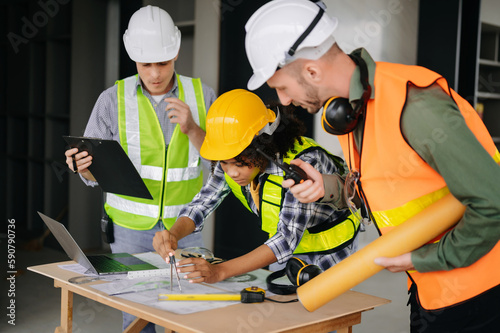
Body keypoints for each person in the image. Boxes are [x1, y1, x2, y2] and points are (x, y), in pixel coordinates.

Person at [244, 0, 500, 332]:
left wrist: (421, 259)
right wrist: (329, 187)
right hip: (428, 290)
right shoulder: (351, 113)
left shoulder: (417, 108)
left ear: (311, 70)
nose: (285, 101)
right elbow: (388, 188)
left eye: (282, 87)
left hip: (476, 297)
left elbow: (493, 203)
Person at [64, 6, 216, 333]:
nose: (155, 73)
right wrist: (83, 168)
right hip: (130, 231)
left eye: (162, 62)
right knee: (136, 317)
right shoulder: (111, 100)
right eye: (146, 64)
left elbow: (222, 164)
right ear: (135, 60)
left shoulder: (202, 96)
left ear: (175, 53)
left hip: (186, 229)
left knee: (190, 314)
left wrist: (192, 128)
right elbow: (92, 174)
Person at [152, 89, 360, 284]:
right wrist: (173, 234)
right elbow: (202, 203)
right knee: (280, 315)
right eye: (224, 162)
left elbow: (286, 239)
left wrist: (220, 270)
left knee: (320, 316)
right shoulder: (229, 158)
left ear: (262, 146)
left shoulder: (303, 164)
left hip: (330, 254)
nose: (232, 172)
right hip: (283, 251)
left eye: (240, 163)